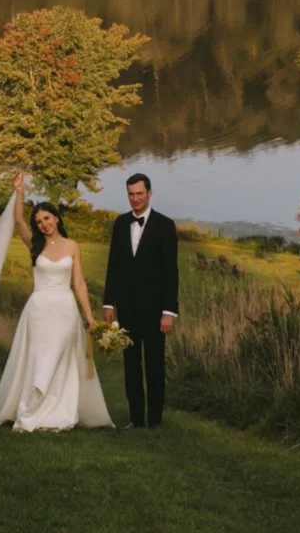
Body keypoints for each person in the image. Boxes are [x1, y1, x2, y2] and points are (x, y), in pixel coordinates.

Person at [0, 173, 115, 431]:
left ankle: (60, 410)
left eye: (46, 218)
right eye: (39, 221)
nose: (43, 224)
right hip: (39, 310)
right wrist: (19, 191)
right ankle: (32, 408)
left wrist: (89, 317)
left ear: (57, 218)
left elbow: (79, 283)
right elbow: (18, 220)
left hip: (65, 310)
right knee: (41, 358)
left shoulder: (72, 246)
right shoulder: (34, 243)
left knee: (60, 357)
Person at [101, 172, 179, 428]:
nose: (135, 198)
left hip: (156, 309)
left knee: (154, 365)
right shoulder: (120, 223)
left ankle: (154, 421)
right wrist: (109, 303)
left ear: (149, 193)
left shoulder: (165, 225)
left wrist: (169, 311)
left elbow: (171, 271)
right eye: (131, 194)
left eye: (139, 193)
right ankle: (136, 419)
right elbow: (114, 264)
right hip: (127, 308)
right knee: (131, 366)